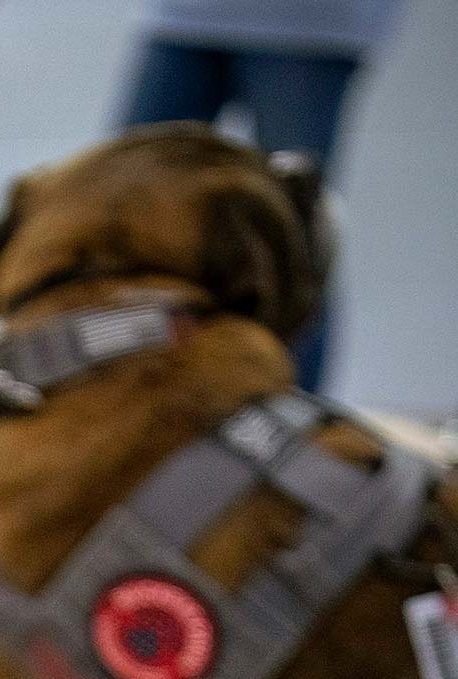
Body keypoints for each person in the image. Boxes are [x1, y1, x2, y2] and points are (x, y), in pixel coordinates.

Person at [118, 0, 406, 390]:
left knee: (294, 232)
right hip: (183, 15)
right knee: (123, 202)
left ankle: (295, 413)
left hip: (308, 25)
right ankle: (129, 399)